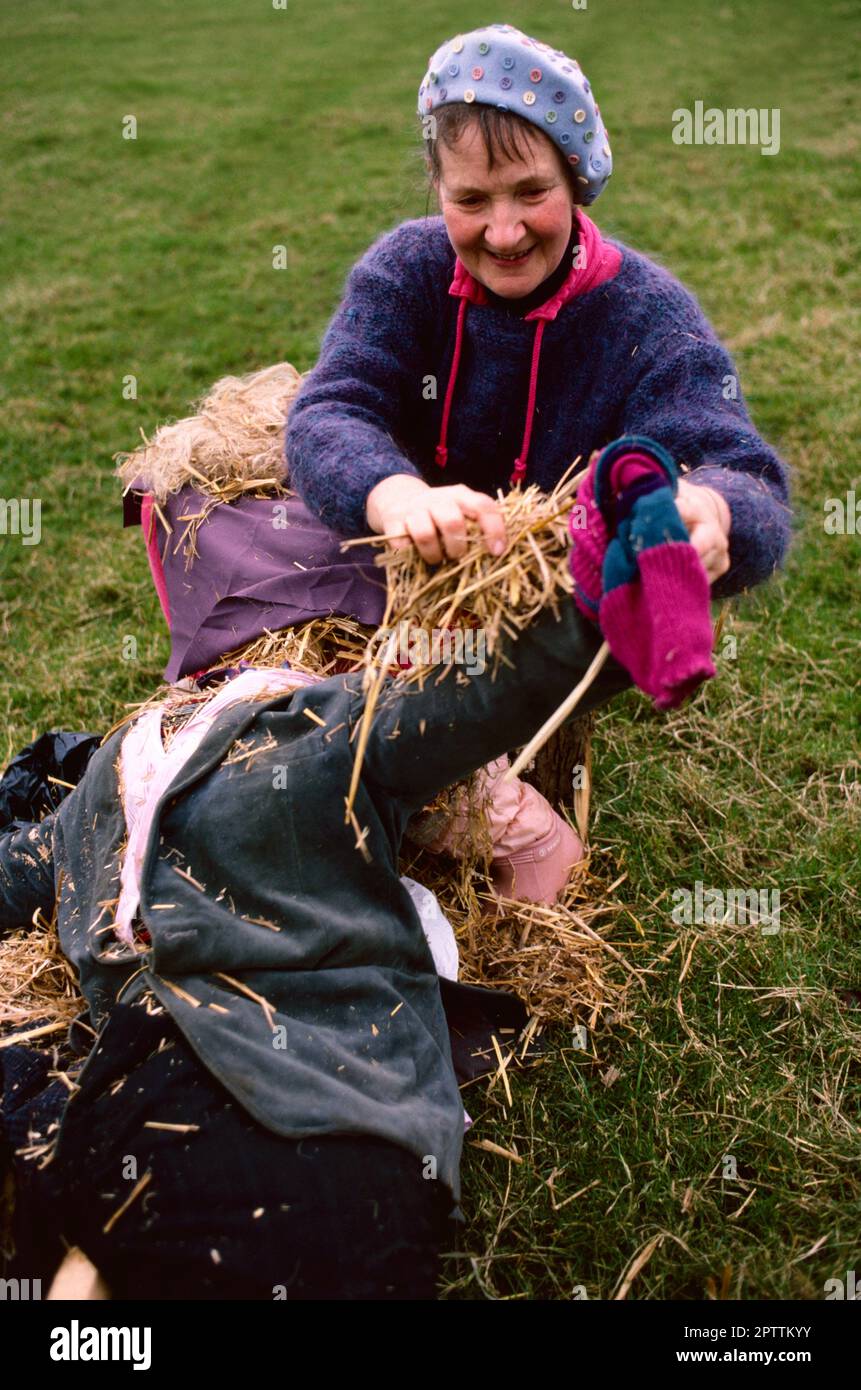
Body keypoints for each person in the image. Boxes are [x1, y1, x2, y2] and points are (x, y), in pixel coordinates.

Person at [0, 543, 636, 1300]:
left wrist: (616, 601)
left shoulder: (291, 737)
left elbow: (495, 694)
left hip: (280, 1093)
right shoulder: (294, 736)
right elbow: (500, 695)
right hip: (238, 1091)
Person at [284, 22, 791, 590]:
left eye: (532, 192)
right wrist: (391, 494)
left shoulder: (648, 317)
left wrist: (715, 510)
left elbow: (748, 477)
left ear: (575, 180)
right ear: (437, 183)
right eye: (470, 199)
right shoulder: (404, 273)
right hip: (397, 587)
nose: (503, 234)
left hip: (559, 613)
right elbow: (330, 412)